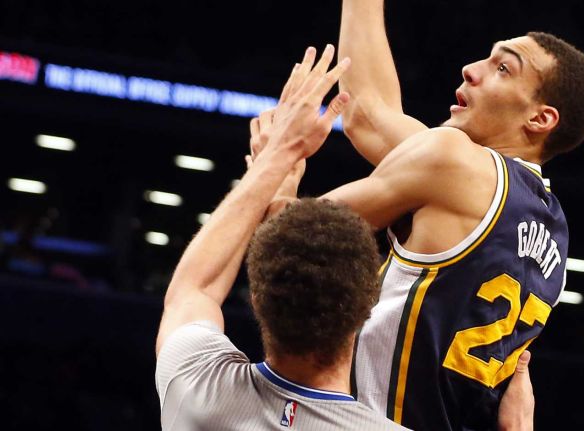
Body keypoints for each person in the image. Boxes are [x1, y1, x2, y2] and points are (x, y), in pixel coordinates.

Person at [155, 45, 535, 431]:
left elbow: (194, 289)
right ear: (368, 309)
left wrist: (276, 160)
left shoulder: (196, 388)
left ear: (257, 297)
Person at [260, 1, 584, 429]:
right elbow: (368, 115)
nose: (471, 69)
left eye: (503, 69)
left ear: (540, 117)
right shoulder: (552, 232)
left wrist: (278, 170)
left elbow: (289, 240)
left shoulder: (456, 163)